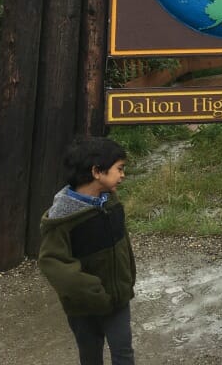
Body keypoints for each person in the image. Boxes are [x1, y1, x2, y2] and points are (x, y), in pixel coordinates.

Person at [38, 136, 136, 364]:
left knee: (124, 353)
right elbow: (54, 263)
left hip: (118, 299)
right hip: (84, 307)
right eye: (119, 169)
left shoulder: (110, 202)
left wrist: (128, 277)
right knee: (90, 354)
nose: (123, 175)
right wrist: (93, 292)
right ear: (96, 172)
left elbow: (123, 243)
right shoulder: (63, 218)